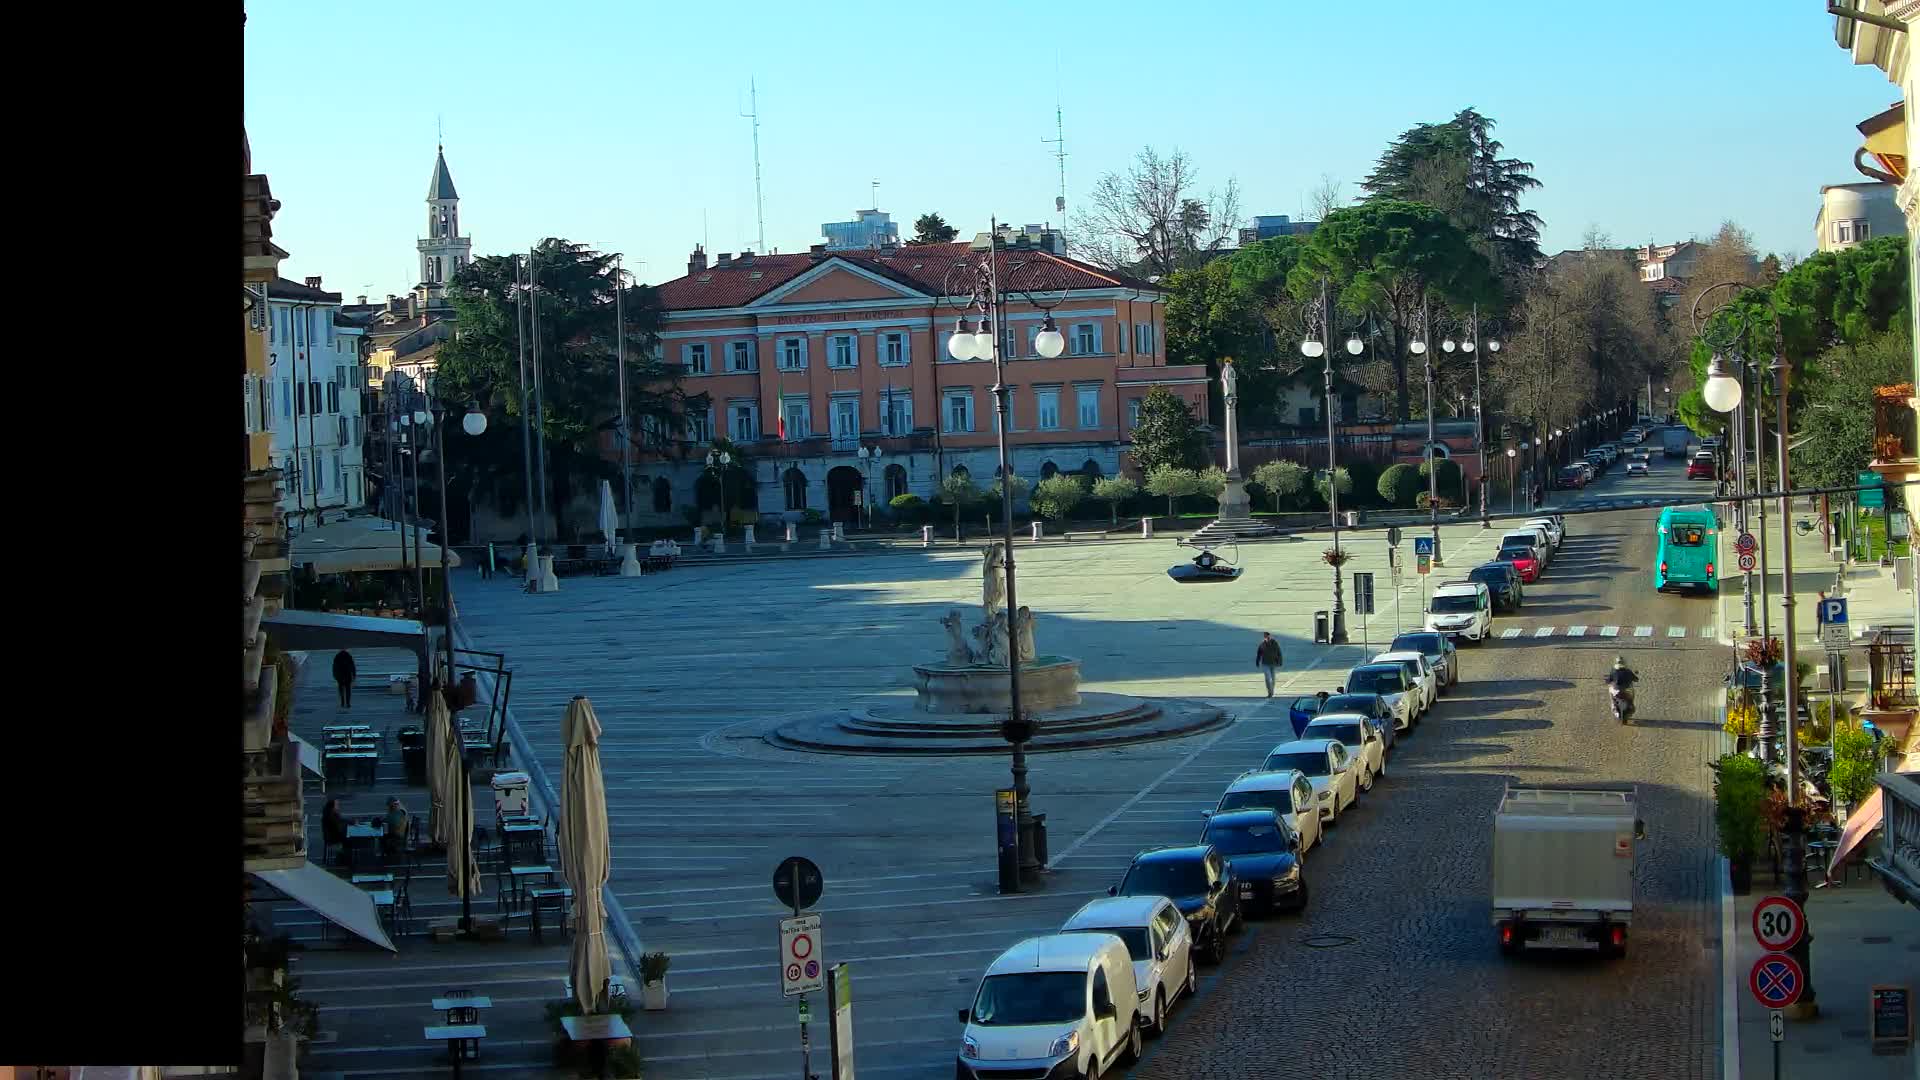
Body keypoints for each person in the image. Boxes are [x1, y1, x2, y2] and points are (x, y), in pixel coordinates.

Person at [1255, 631, 1284, 698]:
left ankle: (1272, 691)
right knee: (1268, 678)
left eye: (1267, 636)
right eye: (1265, 636)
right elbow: (1259, 653)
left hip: (1273, 663)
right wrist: (1257, 661)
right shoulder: (1262, 644)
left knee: (1273, 679)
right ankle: (1270, 692)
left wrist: (1280, 661)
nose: (1266, 637)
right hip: (1265, 664)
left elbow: (1279, 652)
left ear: (1269, 636)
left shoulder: (1274, 643)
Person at [322, 798, 347, 862]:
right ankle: (344, 858)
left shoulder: (329, 814)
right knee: (351, 841)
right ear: (332, 807)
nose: (338, 806)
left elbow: (341, 820)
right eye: (336, 805)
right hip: (333, 839)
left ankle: (342, 857)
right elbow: (338, 827)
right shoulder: (332, 816)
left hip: (331, 837)